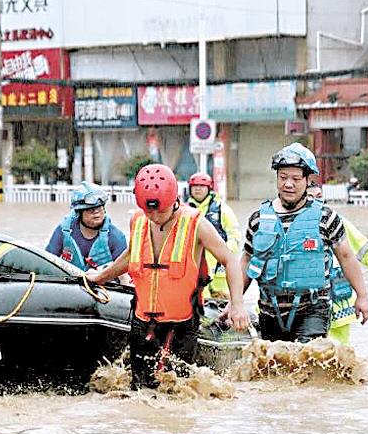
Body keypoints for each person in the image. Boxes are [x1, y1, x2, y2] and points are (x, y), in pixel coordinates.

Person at [86, 164, 250, 388]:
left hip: (181, 325)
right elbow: (130, 256)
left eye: (159, 211)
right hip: (143, 322)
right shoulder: (139, 221)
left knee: (178, 392)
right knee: (139, 389)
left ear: (174, 200)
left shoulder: (196, 224)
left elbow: (230, 260)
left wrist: (237, 304)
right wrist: (100, 277)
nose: (153, 217)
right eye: (148, 210)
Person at [237, 143, 368, 343]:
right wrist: (235, 301)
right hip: (270, 312)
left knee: (306, 364)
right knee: (273, 369)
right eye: (283, 178)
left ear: (308, 181)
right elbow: (246, 260)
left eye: (296, 179)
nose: (288, 184)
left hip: (312, 310)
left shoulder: (326, 217)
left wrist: (362, 296)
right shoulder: (258, 219)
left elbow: (346, 257)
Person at [308, 178, 368, 344]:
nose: (317, 203)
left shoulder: (334, 222)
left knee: (338, 359)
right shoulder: (284, 223)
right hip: (300, 308)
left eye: (319, 197)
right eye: (310, 198)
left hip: (337, 308)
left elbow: (365, 250)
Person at [44, 181, 127, 271]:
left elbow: (124, 274)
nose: (96, 212)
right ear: (79, 212)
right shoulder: (63, 232)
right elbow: (47, 263)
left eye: (100, 207)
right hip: (71, 282)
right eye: (91, 209)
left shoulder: (116, 237)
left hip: (103, 283)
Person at [185, 171, 241, 300]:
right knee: (200, 302)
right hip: (195, 265)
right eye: (194, 186)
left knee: (222, 302)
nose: (198, 189)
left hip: (219, 268)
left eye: (201, 186)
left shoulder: (222, 209)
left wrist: (226, 252)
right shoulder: (185, 210)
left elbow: (234, 233)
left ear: (209, 188)